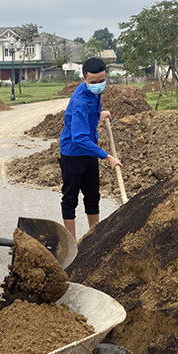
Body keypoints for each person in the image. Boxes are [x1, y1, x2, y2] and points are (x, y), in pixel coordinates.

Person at [58, 57, 122, 240]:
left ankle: (94, 238)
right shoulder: (79, 102)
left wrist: (99, 115)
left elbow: (89, 115)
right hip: (73, 154)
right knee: (70, 198)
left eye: (102, 81)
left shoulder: (95, 93)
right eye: (93, 82)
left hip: (89, 151)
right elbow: (78, 138)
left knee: (93, 196)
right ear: (84, 80)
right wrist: (107, 156)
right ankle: (72, 242)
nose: (98, 85)